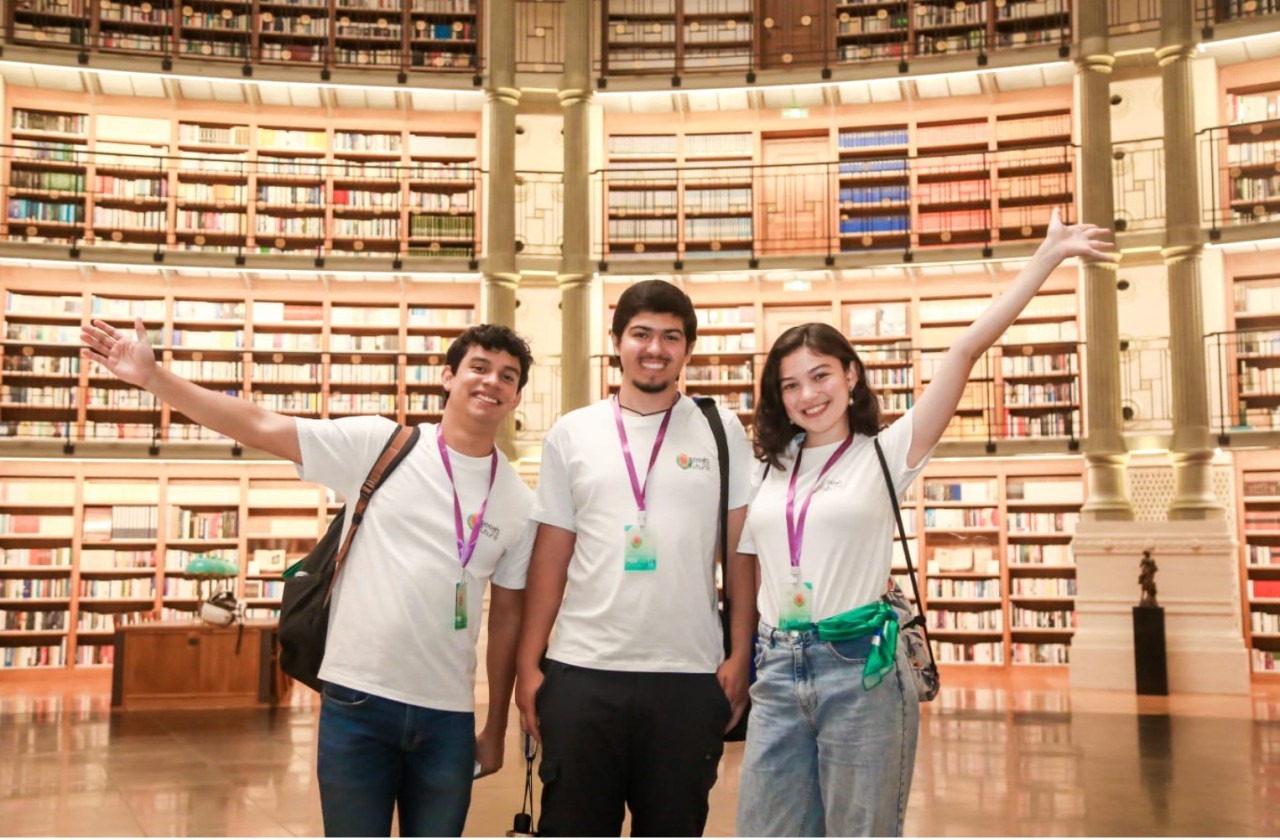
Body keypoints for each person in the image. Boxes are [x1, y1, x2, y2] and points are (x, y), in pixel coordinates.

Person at [80, 318, 538, 838]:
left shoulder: (519, 503)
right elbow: (260, 424)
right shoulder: (381, 444)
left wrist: (495, 725)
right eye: (479, 367)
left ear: (516, 397)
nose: (491, 381)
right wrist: (154, 378)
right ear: (447, 376)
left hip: (448, 716)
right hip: (358, 700)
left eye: (507, 376)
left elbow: (507, 619)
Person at [736, 208, 1114, 837]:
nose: (808, 395)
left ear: (851, 375)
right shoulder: (767, 466)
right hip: (775, 665)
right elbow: (746, 560)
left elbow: (965, 350)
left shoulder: (888, 451)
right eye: (790, 385)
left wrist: (1047, 258)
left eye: (821, 375)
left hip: (859, 666)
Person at [514, 279, 757, 836]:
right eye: (641, 333)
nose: (655, 348)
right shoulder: (572, 433)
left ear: (688, 348)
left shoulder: (721, 431)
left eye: (671, 336)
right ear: (617, 342)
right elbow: (551, 557)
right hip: (582, 672)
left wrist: (741, 653)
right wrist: (530, 665)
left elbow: (740, 554)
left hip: (688, 676)